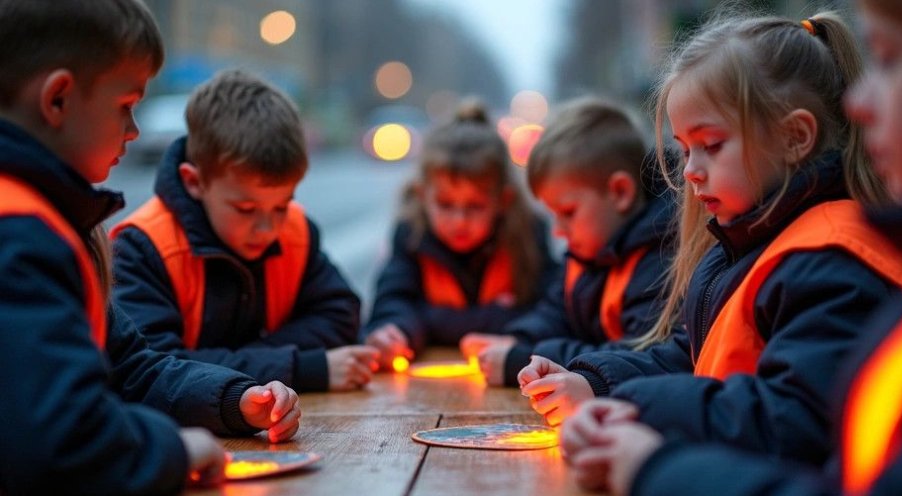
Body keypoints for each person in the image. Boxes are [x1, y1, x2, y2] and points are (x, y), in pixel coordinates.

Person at [557, 1, 902, 494]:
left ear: (794, 137)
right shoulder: (744, 246)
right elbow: (694, 357)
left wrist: (645, 428)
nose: (691, 170)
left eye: (712, 145)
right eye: (683, 149)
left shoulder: (831, 259)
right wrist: (596, 380)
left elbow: (792, 420)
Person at [0, 1, 299, 494]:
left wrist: (232, 398)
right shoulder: (20, 234)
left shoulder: (50, 222)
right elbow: (61, 445)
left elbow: (132, 369)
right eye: (125, 105)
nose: (135, 131)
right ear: (57, 99)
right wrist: (173, 450)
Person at [111, 69, 377, 392]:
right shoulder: (143, 246)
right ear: (194, 182)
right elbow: (152, 367)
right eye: (246, 209)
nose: (267, 228)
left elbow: (341, 316)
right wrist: (295, 366)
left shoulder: (295, 230)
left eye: (281, 205)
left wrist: (242, 360)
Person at [466, 97, 675, 387]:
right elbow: (557, 311)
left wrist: (523, 358)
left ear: (620, 192)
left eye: (568, 213)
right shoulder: (588, 251)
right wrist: (518, 338)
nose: (558, 232)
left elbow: (637, 355)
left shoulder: (658, 259)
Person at [361, 100, 557, 369]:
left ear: (503, 200)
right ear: (422, 196)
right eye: (445, 205)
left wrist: (429, 319)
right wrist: (391, 332)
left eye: (475, 207)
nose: (459, 221)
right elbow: (392, 299)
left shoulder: (528, 235)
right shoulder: (412, 234)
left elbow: (550, 311)